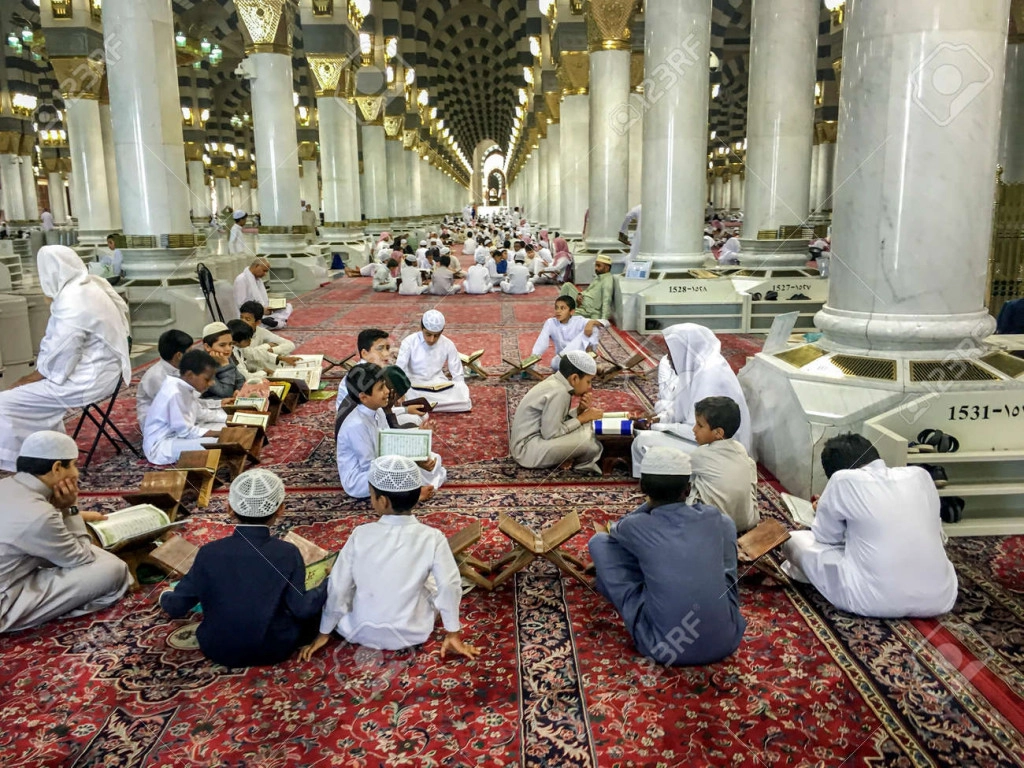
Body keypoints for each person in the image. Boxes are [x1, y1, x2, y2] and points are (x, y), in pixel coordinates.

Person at [299, 455, 479, 662]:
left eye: (371, 494)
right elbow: (449, 585)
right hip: (412, 632)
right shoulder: (432, 537)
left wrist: (324, 632)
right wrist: (453, 633)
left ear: (382, 501)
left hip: (358, 630)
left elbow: (339, 588)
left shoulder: (360, 534)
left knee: (340, 577)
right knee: (435, 583)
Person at [588, 446, 746, 666]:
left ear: (642, 486)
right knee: (726, 530)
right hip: (726, 641)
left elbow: (614, 530)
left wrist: (649, 505)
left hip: (662, 648)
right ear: (688, 489)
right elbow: (723, 528)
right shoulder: (715, 518)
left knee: (599, 543)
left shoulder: (636, 525)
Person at [160, 469, 328, 666]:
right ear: (281, 509)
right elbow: (302, 609)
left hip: (217, 648)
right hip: (274, 648)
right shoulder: (287, 552)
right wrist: (328, 583)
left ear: (229, 508)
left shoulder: (209, 552)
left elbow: (177, 606)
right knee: (318, 606)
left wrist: (165, 595)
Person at [780, 434, 958, 618]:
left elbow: (826, 537)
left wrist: (825, 508)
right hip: (942, 598)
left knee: (793, 540)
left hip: (872, 601)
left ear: (833, 472)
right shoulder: (921, 475)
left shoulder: (842, 480)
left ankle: (804, 576)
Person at [0, 246, 131, 472]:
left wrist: (28, 378)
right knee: (33, 401)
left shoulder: (72, 300)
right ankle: (49, 451)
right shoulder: (93, 285)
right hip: (110, 371)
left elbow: (58, 358)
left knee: (5, 402)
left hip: (87, 380)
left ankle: (19, 464)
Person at [0, 431, 131, 633]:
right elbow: (82, 557)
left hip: (11, 575)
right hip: (5, 602)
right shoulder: (39, 514)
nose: (77, 473)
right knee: (113, 569)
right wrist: (70, 509)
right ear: (57, 468)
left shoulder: (6, 485)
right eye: (74, 465)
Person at [631, 323, 753, 470]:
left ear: (685, 350)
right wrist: (658, 419)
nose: (669, 358)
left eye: (671, 352)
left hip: (720, 449)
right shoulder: (696, 370)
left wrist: (657, 427)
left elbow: (698, 431)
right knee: (644, 437)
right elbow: (680, 410)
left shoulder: (710, 374)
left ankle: (660, 483)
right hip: (703, 438)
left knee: (643, 441)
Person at [335, 363, 446, 500]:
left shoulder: (378, 411)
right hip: (360, 479)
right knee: (401, 469)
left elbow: (390, 443)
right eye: (381, 388)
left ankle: (411, 484)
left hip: (381, 463)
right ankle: (412, 495)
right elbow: (371, 467)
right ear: (364, 397)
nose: (387, 391)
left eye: (385, 385)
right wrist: (411, 461)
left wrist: (419, 440)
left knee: (433, 458)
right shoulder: (356, 425)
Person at [510, 350, 603, 475]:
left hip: (536, 439)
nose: (589, 387)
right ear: (574, 378)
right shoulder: (560, 392)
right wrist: (581, 418)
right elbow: (551, 434)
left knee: (588, 426)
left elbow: (555, 419)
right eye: (588, 381)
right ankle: (581, 465)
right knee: (590, 441)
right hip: (527, 450)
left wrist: (580, 411)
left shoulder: (558, 382)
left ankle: (563, 456)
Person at [686, 396, 759, 533]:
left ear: (718, 433)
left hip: (715, 527)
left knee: (690, 482)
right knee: (749, 464)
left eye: (700, 425)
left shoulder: (701, 455)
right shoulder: (740, 448)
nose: (694, 429)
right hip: (747, 521)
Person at [142, 350, 226, 465]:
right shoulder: (175, 392)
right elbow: (186, 432)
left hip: (178, 435)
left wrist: (230, 419)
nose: (211, 383)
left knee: (225, 427)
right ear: (190, 375)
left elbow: (200, 413)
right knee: (220, 442)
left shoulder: (184, 387)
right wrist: (220, 433)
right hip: (162, 446)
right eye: (207, 379)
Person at [395, 311, 472, 413]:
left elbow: (458, 376)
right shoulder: (409, 342)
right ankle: (438, 405)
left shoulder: (448, 344)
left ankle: (423, 406)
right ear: (422, 329)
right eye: (428, 334)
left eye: (436, 336)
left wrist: (461, 392)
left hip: (438, 385)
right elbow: (400, 370)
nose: (431, 339)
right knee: (406, 394)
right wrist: (400, 391)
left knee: (462, 397)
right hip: (414, 386)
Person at [137, 329, 195, 430]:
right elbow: (181, 409)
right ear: (179, 355)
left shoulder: (180, 368)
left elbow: (193, 400)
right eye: (190, 353)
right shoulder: (157, 377)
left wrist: (218, 404)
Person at [531, 296, 600, 369]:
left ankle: (588, 363)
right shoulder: (551, 322)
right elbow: (542, 342)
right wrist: (533, 358)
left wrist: (591, 323)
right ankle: (587, 368)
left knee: (594, 327)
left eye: (562, 308)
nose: (558, 311)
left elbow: (606, 322)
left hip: (580, 356)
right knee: (554, 364)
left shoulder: (579, 321)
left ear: (572, 312)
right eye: (556, 308)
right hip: (562, 359)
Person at [233, 257, 294, 327]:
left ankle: (273, 321)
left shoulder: (258, 280)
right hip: (252, 316)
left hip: (264, 311)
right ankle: (276, 322)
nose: (265, 274)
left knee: (288, 306)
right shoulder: (241, 280)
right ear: (256, 266)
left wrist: (271, 307)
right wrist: (261, 310)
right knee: (278, 324)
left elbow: (262, 299)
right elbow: (241, 305)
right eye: (264, 271)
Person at [560, 254, 614, 320]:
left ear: (607, 268)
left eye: (599, 266)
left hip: (589, 310)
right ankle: (561, 309)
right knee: (567, 285)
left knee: (566, 316)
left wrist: (604, 320)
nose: (596, 268)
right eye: (595, 265)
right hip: (581, 302)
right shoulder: (598, 277)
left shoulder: (607, 281)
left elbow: (607, 300)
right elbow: (588, 290)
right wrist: (580, 294)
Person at [201, 322, 245, 399]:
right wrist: (225, 365)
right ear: (207, 347)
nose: (228, 349)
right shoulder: (202, 365)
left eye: (230, 344)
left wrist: (238, 390)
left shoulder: (223, 357)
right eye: (222, 345)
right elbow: (226, 393)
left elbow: (241, 380)